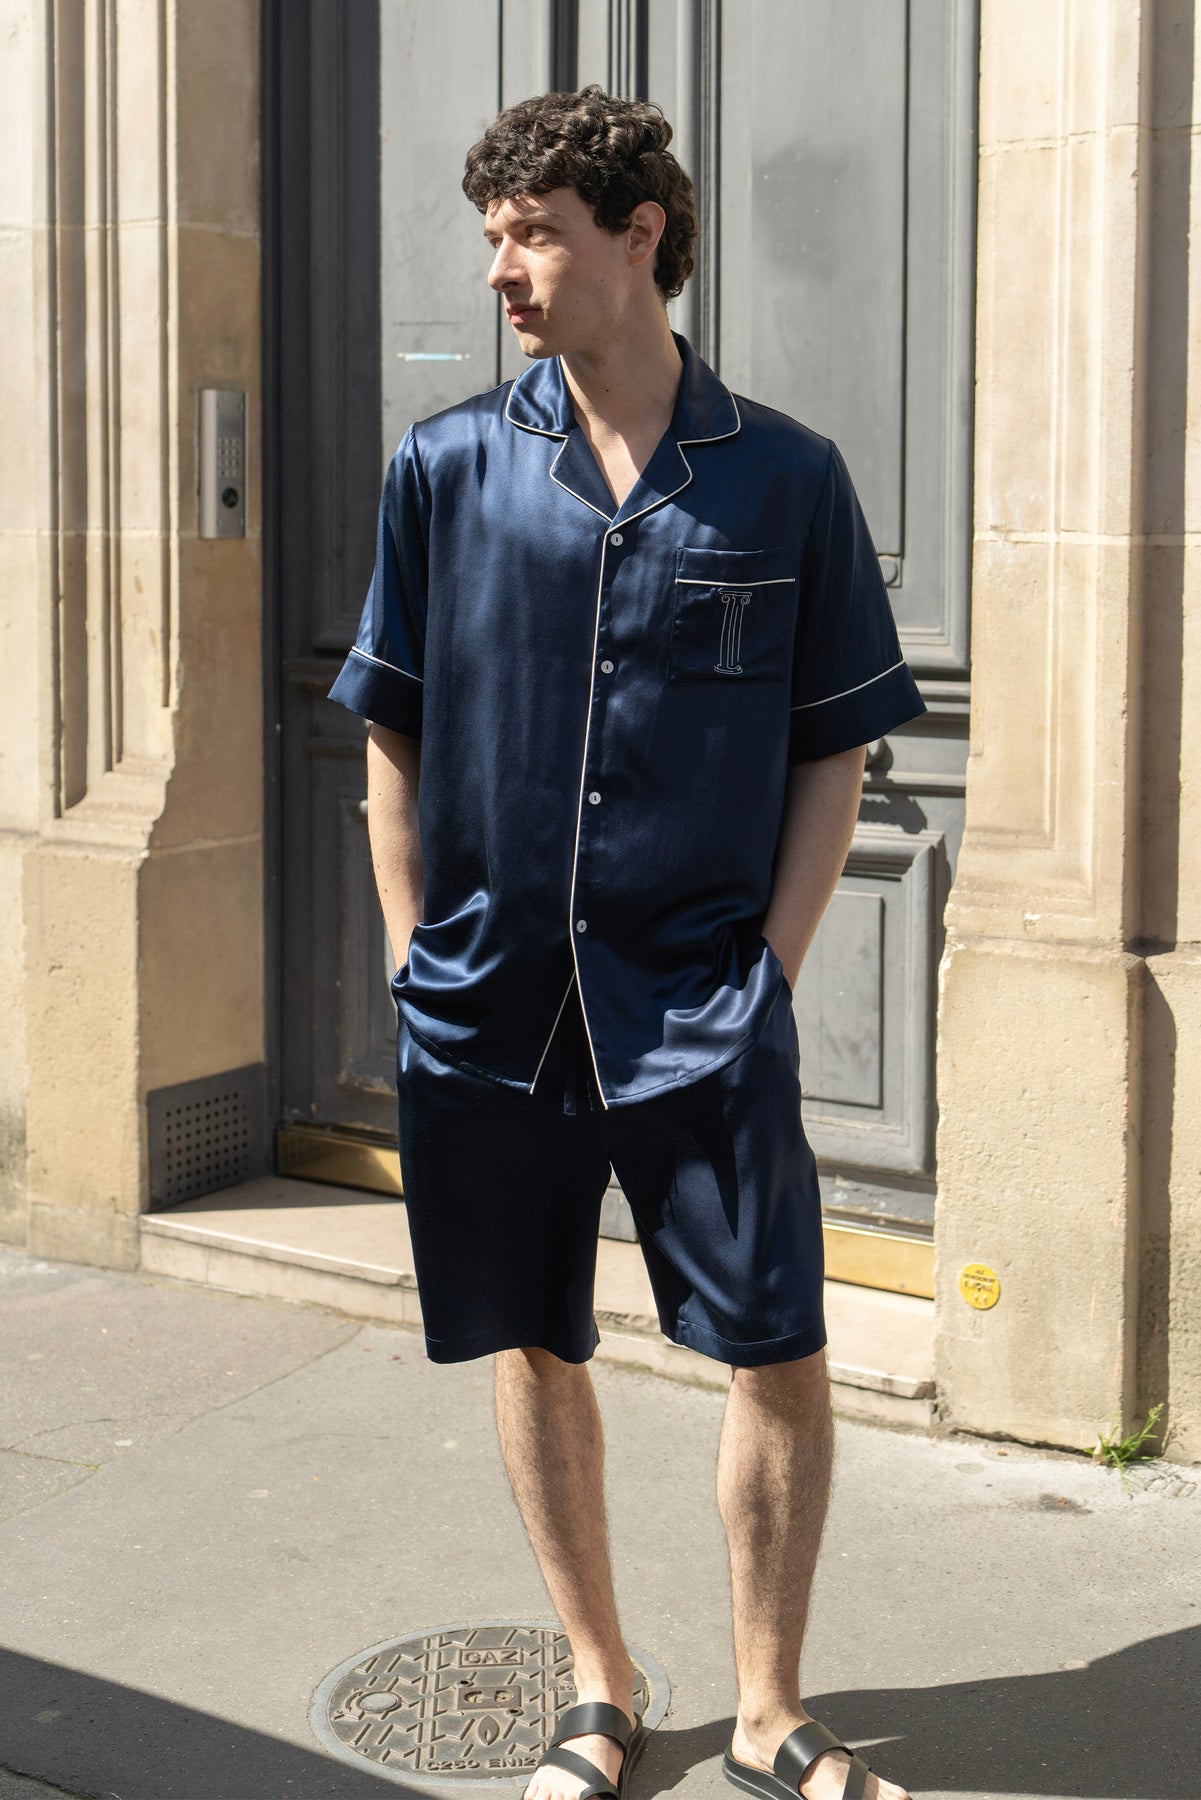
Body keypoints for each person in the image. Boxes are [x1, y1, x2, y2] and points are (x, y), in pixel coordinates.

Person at [329, 84, 922, 1800]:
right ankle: (597, 1687)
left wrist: (768, 976)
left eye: (533, 235)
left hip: (700, 1007)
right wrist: (412, 957)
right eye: (493, 237)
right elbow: (392, 731)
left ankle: (767, 1712)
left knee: (778, 1346)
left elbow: (832, 752)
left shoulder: (787, 479)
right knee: (531, 1332)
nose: (500, 271)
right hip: (489, 1003)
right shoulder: (445, 469)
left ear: (639, 234)